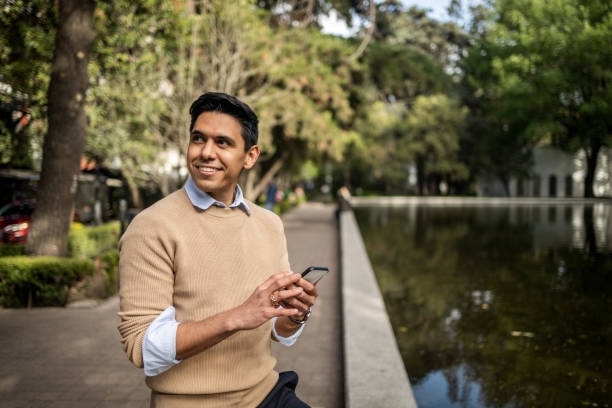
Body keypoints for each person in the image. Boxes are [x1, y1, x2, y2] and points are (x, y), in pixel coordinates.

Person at [118, 92, 318, 407]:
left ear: (250, 156)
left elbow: (278, 332)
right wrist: (238, 316)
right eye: (198, 139)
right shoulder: (151, 226)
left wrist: (296, 313)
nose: (206, 153)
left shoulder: (269, 224)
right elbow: (142, 347)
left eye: (222, 143)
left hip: (267, 393)